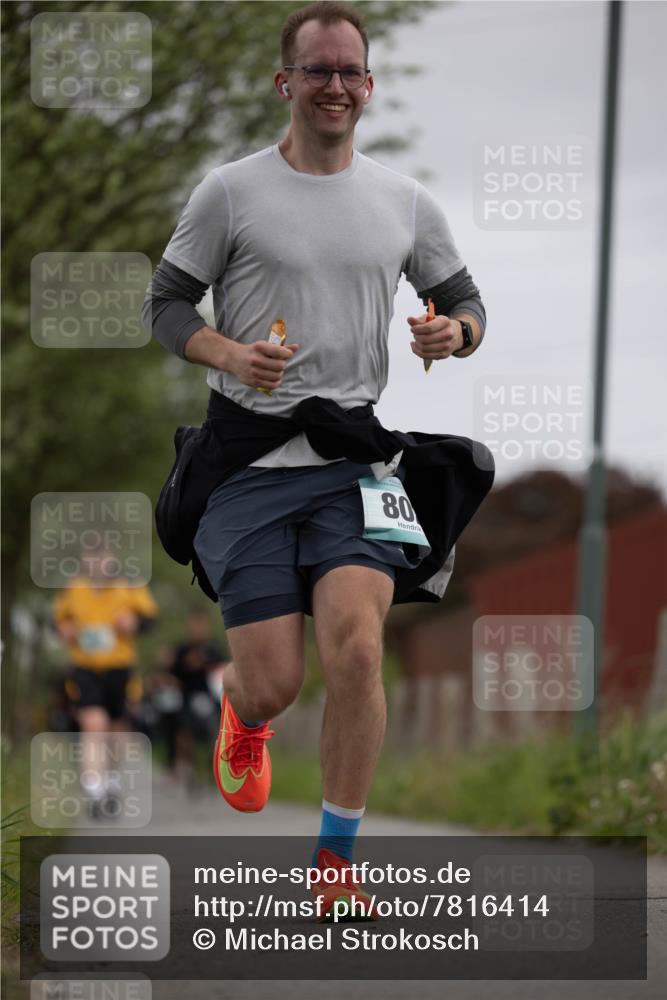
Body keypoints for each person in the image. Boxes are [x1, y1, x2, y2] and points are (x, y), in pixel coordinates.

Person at [143, 1, 490, 918]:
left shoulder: (403, 202)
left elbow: (465, 302)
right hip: (245, 465)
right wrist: (229, 353)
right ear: (283, 82)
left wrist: (452, 333)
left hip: (353, 466)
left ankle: (335, 862)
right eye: (317, 69)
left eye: (349, 71)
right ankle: (244, 713)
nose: (334, 85)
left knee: (358, 647)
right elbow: (164, 306)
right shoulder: (229, 192)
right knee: (276, 682)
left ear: (367, 86)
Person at [53, 550, 159, 817]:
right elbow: (58, 621)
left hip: (119, 669)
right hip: (84, 668)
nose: (97, 563)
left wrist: (134, 623)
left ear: (112, 559)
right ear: (83, 560)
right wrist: (64, 630)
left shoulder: (129, 586)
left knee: (116, 728)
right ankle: (94, 789)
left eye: (102, 556)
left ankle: (111, 778)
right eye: (91, 556)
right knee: (93, 723)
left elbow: (150, 620)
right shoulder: (75, 589)